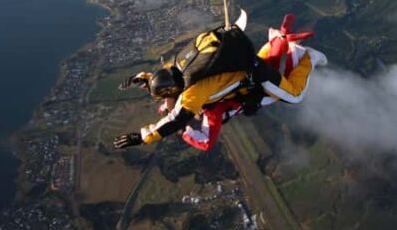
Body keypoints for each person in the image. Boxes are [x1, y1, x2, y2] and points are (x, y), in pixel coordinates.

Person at [113, 14, 325, 151]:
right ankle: (280, 39)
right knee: (269, 76)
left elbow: (177, 122)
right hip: (248, 71)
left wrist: (143, 137)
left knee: (294, 94)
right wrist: (139, 79)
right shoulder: (177, 65)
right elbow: (156, 80)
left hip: (254, 76)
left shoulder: (195, 95)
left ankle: (307, 57)